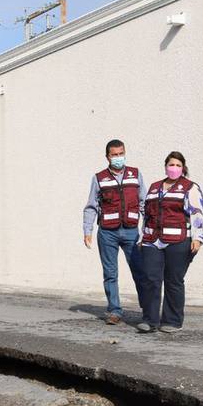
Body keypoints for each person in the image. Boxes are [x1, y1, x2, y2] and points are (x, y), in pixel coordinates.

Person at [82, 139, 152, 329]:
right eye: (114, 154)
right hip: (107, 233)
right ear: (107, 157)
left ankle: (148, 312)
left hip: (131, 232)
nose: (118, 157)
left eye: (121, 153)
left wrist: (148, 229)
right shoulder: (99, 178)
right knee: (110, 274)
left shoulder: (135, 175)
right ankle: (114, 311)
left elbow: (144, 203)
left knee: (140, 272)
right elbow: (91, 206)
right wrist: (87, 230)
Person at [140, 151, 203, 333]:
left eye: (178, 165)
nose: (174, 168)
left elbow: (197, 213)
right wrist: (142, 237)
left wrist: (198, 238)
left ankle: (172, 321)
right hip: (152, 240)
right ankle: (149, 320)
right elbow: (146, 215)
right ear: (165, 166)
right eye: (171, 164)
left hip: (179, 240)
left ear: (183, 168)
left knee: (173, 280)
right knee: (151, 279)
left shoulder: (190, 187)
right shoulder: (154, 187)